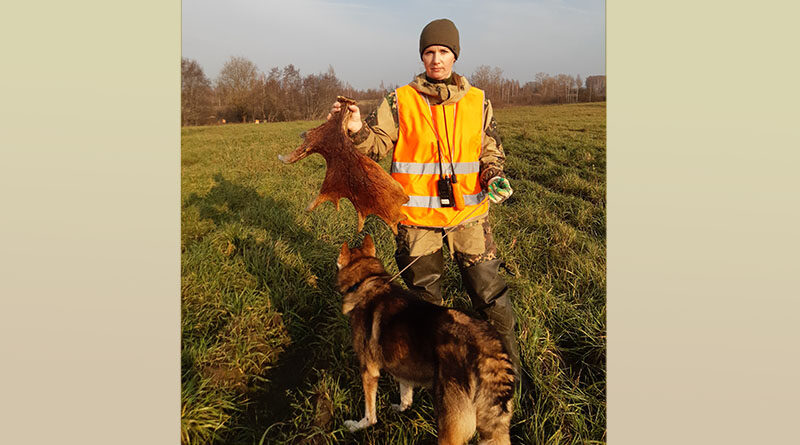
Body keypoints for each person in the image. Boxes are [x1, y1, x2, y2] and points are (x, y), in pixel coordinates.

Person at [329, 18, 520, 373]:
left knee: (492, 300)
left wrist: (493, 174)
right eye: (429, 51)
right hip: (417, 225)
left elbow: (489, 149)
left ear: (454, 56)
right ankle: (438, 378)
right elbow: (374, 146)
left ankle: (513, 375)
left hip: (469, 220)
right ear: (422, 56)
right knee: (425, 308)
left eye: (444, 51)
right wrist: (356, 129)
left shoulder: (478, 101)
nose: (436, 59)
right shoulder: (398, 101)